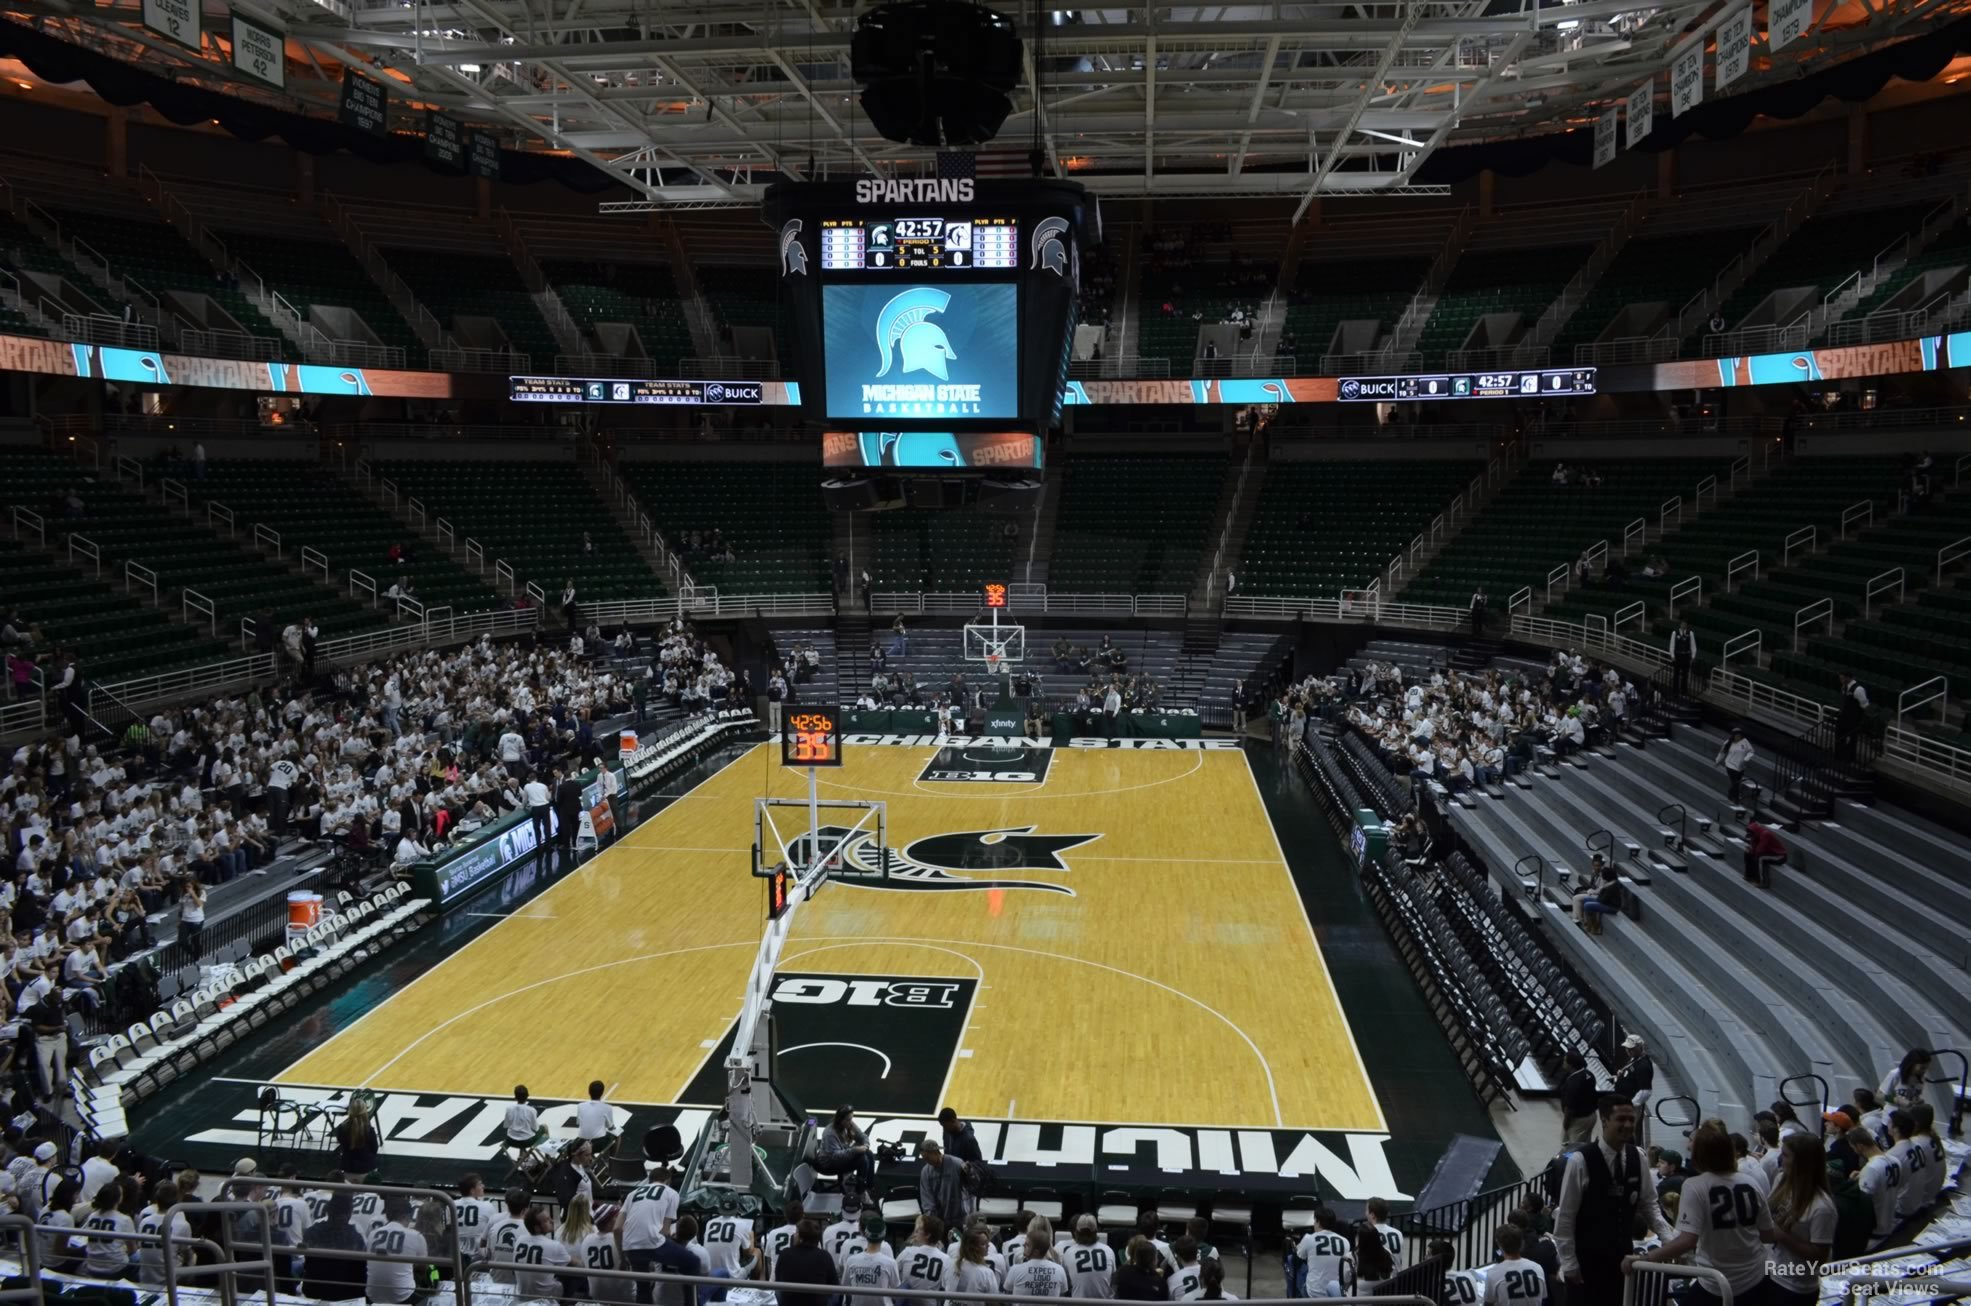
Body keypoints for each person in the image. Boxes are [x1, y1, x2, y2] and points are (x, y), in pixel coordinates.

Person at [1626, 1121, 1770, 1301]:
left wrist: (1645, 1259)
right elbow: (1767, 1234)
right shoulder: (1750, 1182)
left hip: (1718, 1283)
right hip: (1756, 1278)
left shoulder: (1695, 1186)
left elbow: (1687, 1241)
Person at [1554, 1096, 1671, 1303]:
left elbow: (1649, 1204)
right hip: (1586, 1262)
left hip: (1623, 1262)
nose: (1628, 1125)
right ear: (1604, 1120)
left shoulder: (1639, 1157)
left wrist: (1669, 1238)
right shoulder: (1580, 1161)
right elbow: (1565, 1217)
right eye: (1621, 1119)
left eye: (1631, 1119)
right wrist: (1570, 1263)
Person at [1767, 1133, 1837, 1306]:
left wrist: (1782, 1236)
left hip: (1794, 1287)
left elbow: (1819, 1256)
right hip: (1769, 1272)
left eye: (1785, 1155)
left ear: (1802, 1162)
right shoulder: (1781, 1180)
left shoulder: (1822, 1207)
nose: (1780, 1159)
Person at [301, 1191, 368, 1301]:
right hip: (345, 1292)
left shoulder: (312, 1231)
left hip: (315, 1288)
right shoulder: (355, 1236)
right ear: (349, 1213)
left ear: (329, 1211)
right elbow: (361, 1272)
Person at [365, 1194, 430, 1304]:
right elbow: (423, 1269)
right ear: (406, 1216)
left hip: (372, 1295)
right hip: (403, 1297)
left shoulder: (373, 1234)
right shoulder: (416, 1236)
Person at [1849, 1125, 1904, 1247]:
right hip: (1890, 1222)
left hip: (1874, 1232)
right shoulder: (1895, 1160)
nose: (1853, 1151)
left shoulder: (1871, 1169)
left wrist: (1852, 1183)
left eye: (1853, 1147)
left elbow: (1862, 1205)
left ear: (1860, 1146)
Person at [817, 1106, 877, 1213]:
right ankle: (860, 1192)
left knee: (869, 1154)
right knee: (862, 1160)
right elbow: (834, 1156)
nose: (851, 1122)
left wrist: (865, 1146)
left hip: (842, 1155)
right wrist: (855, 1150)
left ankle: (869, 1186)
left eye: (851, 1118)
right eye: (848, 1119)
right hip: (829, 1162)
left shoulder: (849, 1125)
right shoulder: (829, 1133)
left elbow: (863, 1136)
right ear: (841, 1120)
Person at [774, 1219, 840, 1306]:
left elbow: (778, 1278)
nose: (794, 1235)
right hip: (817, 1302)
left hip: (790, 1303)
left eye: (796, 1232)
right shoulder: (825, 1256)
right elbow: (834, 1283)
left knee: (778, 1290)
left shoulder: (784, 1253)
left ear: (801, 1238)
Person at [1484, 1224, 1546, 1304]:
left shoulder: (1493, 1273)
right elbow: (1542, 1297)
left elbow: (1488, 1302)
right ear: (1522, 1243)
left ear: (1499, 1245)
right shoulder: (1538, 1268)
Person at [1295, 1205, 1348, 1298]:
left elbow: (1297, 1260)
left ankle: (1293, 1298)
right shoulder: (1345, 1241)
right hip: (1336, 1294)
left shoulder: (1309, 1238)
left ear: (1318, 1222)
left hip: (1313, 1294)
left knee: (1294, 1264)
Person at [917, 1139, 970, 1231]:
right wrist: (931, 1218)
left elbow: (969, 1188)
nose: (927, 1161)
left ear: (935, 1152)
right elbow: (926, 1197)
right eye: (924, 1158)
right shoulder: (926, 1171)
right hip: (940, 1218)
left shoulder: (957, 1163)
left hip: (961, 1216)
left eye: (927, 1158)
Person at [1061, 1215, 1116, 1297]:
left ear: (1076, 1232)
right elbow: (1113, 1280)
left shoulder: (1069, 1253)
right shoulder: (1108, 1250)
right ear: (1096, 1231)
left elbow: (1066, 1285)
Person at [1004, 1230, 1071, 1298]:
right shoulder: (1059, 1270)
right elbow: (1062, 1295)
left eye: (1027, 1245)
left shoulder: (1015, 1270)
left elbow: (1007, 1296)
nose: (1023, 1245)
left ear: (1036, 1252)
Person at [1570, 857, 1625, 936]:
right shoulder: (1609, 884)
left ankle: (1594, 927)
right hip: (1605, 902)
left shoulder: (1611, 886)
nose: (1602, 877)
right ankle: (1586, 924)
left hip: (1612, 907)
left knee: (1588, 905)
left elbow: (1603, 900)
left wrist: (1596, 894)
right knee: (1586, 900)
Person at [336, 1096, 381, 1177]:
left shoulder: (341, 1128)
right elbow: (374, 1149)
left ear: (350, 1111)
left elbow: (341, 1144)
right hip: (366, 1169)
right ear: (365, 1111)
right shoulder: (369, 1130)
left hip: (348, 1169)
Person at [1559, 1052, 1597, 1144]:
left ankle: (1570, 1159)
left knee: (1572, 1148)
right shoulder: (1589, 1074)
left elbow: (1570, 1108)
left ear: (1571, 1065)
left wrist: (1565, 1125)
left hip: (1579, 1121)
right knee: (1585, 1145)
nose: (1563, 1062)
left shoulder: (1574, 1083)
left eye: (1564, 1061)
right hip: (1591, 1116)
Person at [1716, 727, 1754, 803]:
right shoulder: (1728, 742)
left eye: (1739, 735)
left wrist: (1746, 758)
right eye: (1736, 735)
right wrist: (1717, 761)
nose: (1737, 736)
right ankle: (1735, 798)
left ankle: (1731, 795)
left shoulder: (1745, 742)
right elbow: (1722, 753)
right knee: (1735, 782)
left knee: (1737, 782)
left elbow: (1751, 751)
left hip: (1741, 766)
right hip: (1730, 765)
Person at [1744, 821, 1787, 886]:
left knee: (1760, 858)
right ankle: (1749, 876)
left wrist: (1753, 850)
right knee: (1748, 853)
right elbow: (1754, 848)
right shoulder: (1755, 836)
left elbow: (1760, 850)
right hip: (1768, 853)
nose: (1751, 835)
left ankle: (1762, 882)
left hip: (1780, 856)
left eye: (1751, 833)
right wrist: (1750, 850)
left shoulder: (1765, 834)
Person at [1669, 622, 1697, 696]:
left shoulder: (1690, 633)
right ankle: (1675, 690)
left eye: (1685, 624)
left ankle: (1684, 690)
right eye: (1682, 624)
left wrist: (1693, 656)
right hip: (1678, 656)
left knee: (1685, 675)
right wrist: (1672, 656)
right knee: (1676, 674)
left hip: (1686, 656)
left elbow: (1693, 646)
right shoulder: (1675, 633)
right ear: (1680, 624)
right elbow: (1672, 645)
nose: (1684, 625)